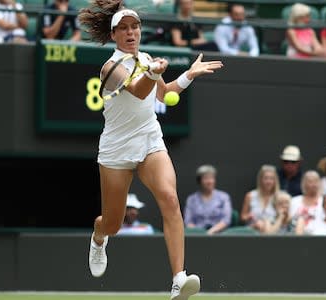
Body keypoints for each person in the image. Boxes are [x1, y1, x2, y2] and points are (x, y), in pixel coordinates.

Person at [78, 2, 223, 299]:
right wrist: (154, 73)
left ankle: (178, 280)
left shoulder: (144, 58)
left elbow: (164, 93)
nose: (131, 33)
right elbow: (139, 90)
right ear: (114, 34)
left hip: (149, 140)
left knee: (170, 198)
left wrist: (189, 75)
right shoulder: (110, 67)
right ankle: (99, 234)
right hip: (117, 149)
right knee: (113, 224)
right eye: (124, 29)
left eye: (135, 27)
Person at [184, 165, 232, 235]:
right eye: (206, 178)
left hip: (218, 234)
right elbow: (188, 221)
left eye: (212, 178)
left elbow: (226, 220)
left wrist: (211, 231)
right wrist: (199, 232)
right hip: (197, 235)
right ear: (199, 181)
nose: (209, 182)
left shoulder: (224, 197)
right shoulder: (191, 199)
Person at [241, 165, 280, 231]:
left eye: (271, 178)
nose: (268, 181)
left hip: (273, 230)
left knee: (267, 224)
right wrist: (248, 216)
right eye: (266, 178)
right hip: (253, 229)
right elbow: (243, 217)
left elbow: (284, 219)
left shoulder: (280, 197)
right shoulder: (250, 195)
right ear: (260, 179)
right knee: (260, 224)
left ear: (275, 181)